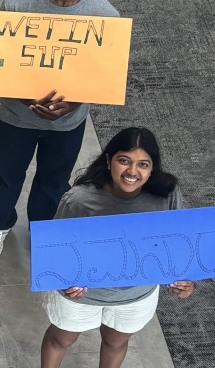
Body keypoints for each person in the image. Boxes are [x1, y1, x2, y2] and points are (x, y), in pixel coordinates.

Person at [0, 0, 119, 262]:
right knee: (9, 173)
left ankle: (43, 230)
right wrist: (28, 100)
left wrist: (75, 102)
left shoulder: (105, 15)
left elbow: (103, 74)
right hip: (17, 117)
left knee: (54, 180)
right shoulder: (17, 6)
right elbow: (1, 63)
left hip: (69, 123)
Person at [39, 127, 196, 368]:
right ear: (109, 160)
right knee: (61, 339)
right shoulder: (79, 200)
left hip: (134, 295)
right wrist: (64, 282)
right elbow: (55, 250)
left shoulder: (167, 194)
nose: (132, 171)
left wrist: (185, 278)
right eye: (124, 161)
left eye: (143, 164)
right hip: (82, 296)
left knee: (116, 343)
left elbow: (178, 240)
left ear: (153, 167)